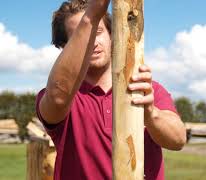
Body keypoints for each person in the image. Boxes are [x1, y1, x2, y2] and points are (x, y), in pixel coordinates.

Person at [35, 0, 186, 179]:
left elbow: (178, 140)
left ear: (111, 35)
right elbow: (57, 97)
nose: (93, 42)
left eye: (97, 32)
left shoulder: (146, 90)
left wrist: (151, 114)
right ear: (65, 47)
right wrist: (91, 16)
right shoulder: (63, 97)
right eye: (81, 36)